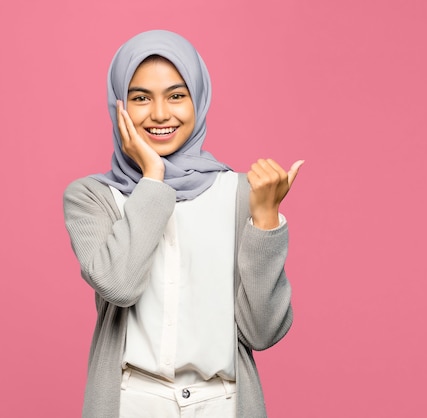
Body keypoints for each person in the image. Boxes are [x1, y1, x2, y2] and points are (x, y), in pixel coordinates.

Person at [63, 29, 302, 418]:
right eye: (141, 98)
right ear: (119, 105)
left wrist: (265, 221)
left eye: (176, 96)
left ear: (199, 99)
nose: (159, 114)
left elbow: (263, 333)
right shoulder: (92, 197)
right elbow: (118, 285)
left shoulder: (244, 193)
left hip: (222, 405)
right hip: (131, 403)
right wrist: (153, 177)